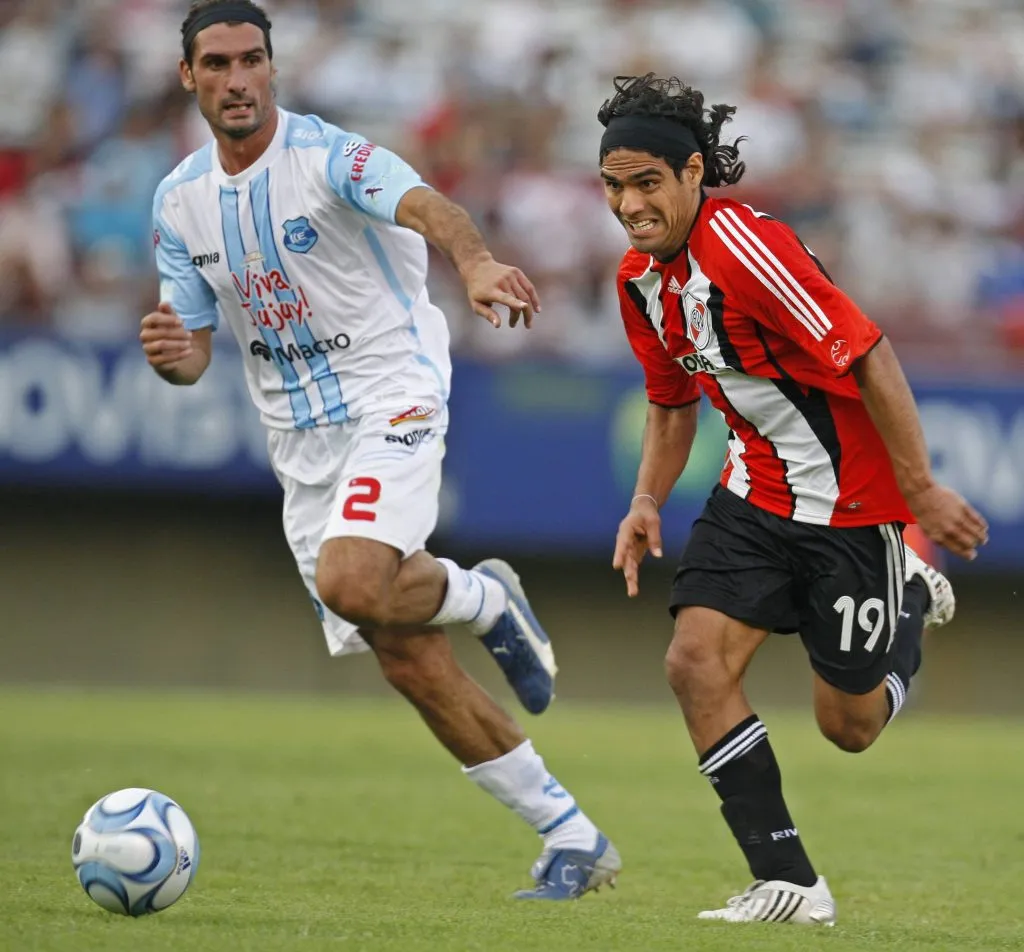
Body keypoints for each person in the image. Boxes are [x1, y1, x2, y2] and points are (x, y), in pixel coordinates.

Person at [140, 0, 620, 900]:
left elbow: (430, 206)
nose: (237, 79)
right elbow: (194, 346)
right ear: (188, 77)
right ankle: (573, 836)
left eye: (252, 61)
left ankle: (480, 596)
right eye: (216, 65)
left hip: (390, 391)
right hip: (301, 442)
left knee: (354, 583)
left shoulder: (332, 156)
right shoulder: (177, 205)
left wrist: (474, 264)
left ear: (274, 69)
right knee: (405, 655)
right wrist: (176, 357)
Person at [599, 74, 988, 925]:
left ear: (693, 174)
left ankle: (908, 590)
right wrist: (646, 500)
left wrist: (917, 489)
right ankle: (789, 881)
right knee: (692, 661)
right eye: (614, 186)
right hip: (751, 494)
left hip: (848, 507)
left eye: (646, 183)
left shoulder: (744, 245)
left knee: (848, 727)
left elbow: (870, 353)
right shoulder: (639, 282)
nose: (628, 204)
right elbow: (671, 404)